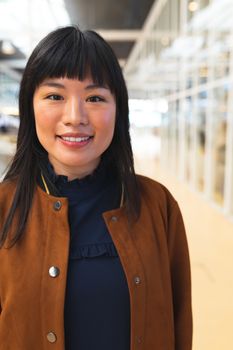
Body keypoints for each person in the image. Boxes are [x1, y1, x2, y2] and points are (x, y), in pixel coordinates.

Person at [0, 26, 192, 350]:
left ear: (119, 109)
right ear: (30, 108)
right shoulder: (4, 208)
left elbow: (179, 321)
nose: (75, 117)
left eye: (95, 98)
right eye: (55, 96)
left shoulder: (158, 205)